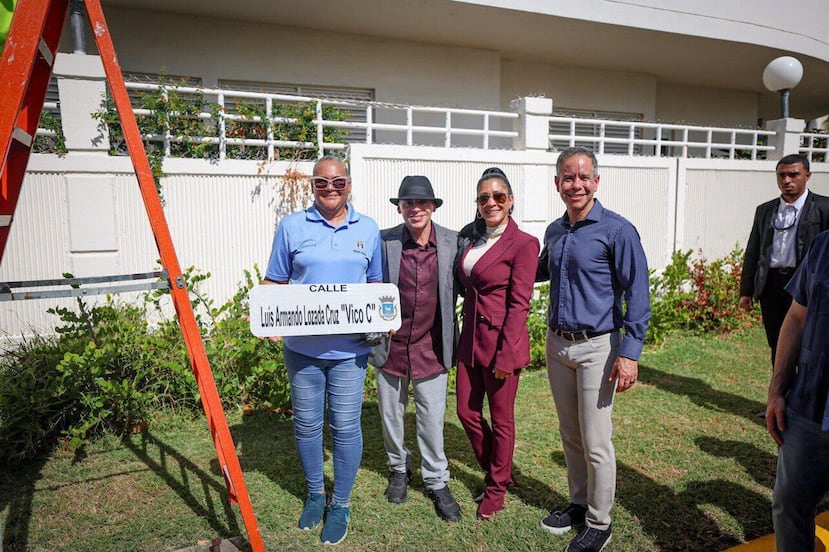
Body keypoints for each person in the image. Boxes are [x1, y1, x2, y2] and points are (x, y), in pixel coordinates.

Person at [263, 155, 382, 546]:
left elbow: (377, 286)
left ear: (349, 184)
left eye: (338, 182)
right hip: (302, 351)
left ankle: (341, 504)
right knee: (308, 425)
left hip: (350, 353)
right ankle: (316, 494)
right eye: (321, 183)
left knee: (346, 427)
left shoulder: (368, 229)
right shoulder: (291, 226)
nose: (330, 189)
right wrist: (268, 317)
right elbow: (273, 282)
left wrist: (385, 317)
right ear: (311, 185)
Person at [537, 146, 650, 552]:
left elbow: (638, 292)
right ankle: (579, 503)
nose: (576, 184)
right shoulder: (555, 231)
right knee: (571, 433)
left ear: (596, 182)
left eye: (584, 177)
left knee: (596, 439)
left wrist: (630, 352)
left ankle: (600, 523)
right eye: (568, 177)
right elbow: (534, 270)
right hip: (558, 346)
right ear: (557, 184)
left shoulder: (617, 231)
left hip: (598, 349)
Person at [369, 175, 461, 521]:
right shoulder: (384, 241)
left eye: (422, 203)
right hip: (390, 345)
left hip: (432, 345)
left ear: (433, 207)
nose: (415, 209)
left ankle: (436, 479)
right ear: (400, 208)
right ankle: (398, 468)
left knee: (432, 419)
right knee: (391, 415)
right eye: (408, 203)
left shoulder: (453, 242)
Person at [455, 167, 539, 521]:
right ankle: (498, 468)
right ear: (477, 204)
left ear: (510, 201)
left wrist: (506, 356)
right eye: (484, 197)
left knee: (502, 420)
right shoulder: (471, 238)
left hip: (502, 344)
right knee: (466, 412)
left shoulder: (524, 244)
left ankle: (496, 488)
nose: (491, 202)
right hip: (470, 340)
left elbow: (519, 305)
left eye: (498, 196)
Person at [766, 229, 829, 551]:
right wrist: (778, 390)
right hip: (809, 405)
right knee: (789, 506)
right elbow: (796, 318)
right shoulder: (823, 245)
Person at [739, 153, 829, 368]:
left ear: (807, 175)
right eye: (781, 175)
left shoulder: (824, 208)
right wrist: (746, 290)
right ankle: (779, 396)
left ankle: (803, 398)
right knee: (777, 344)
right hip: (772, 286)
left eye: (793, 175)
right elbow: (753, 251)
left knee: (808, 344)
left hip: (807, 287)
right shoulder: (765, 210)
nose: (786, 180)